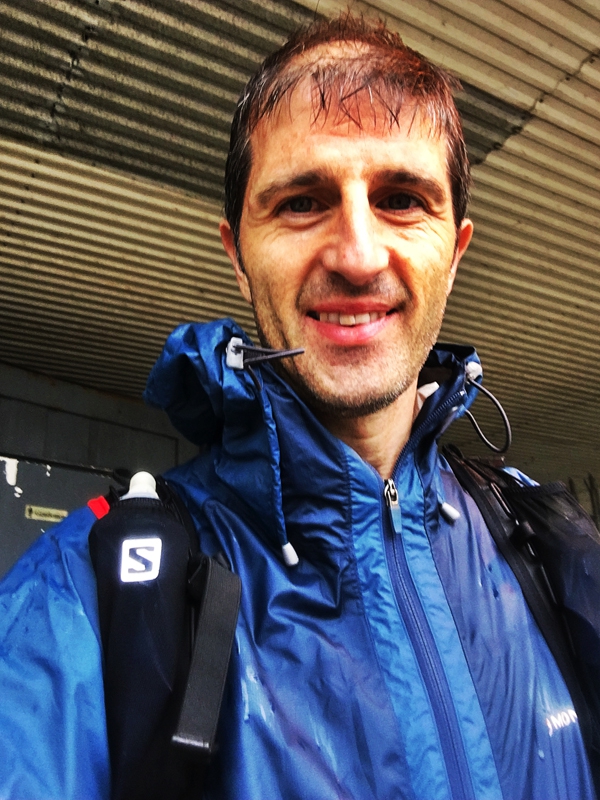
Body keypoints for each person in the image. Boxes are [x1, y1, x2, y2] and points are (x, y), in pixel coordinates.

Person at [0, 13, 596, 800]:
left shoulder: (550, 550)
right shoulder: (80, 596)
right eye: (302, 202)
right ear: (238, 256)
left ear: (454, 253)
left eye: (402, 199)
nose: (357, 256)